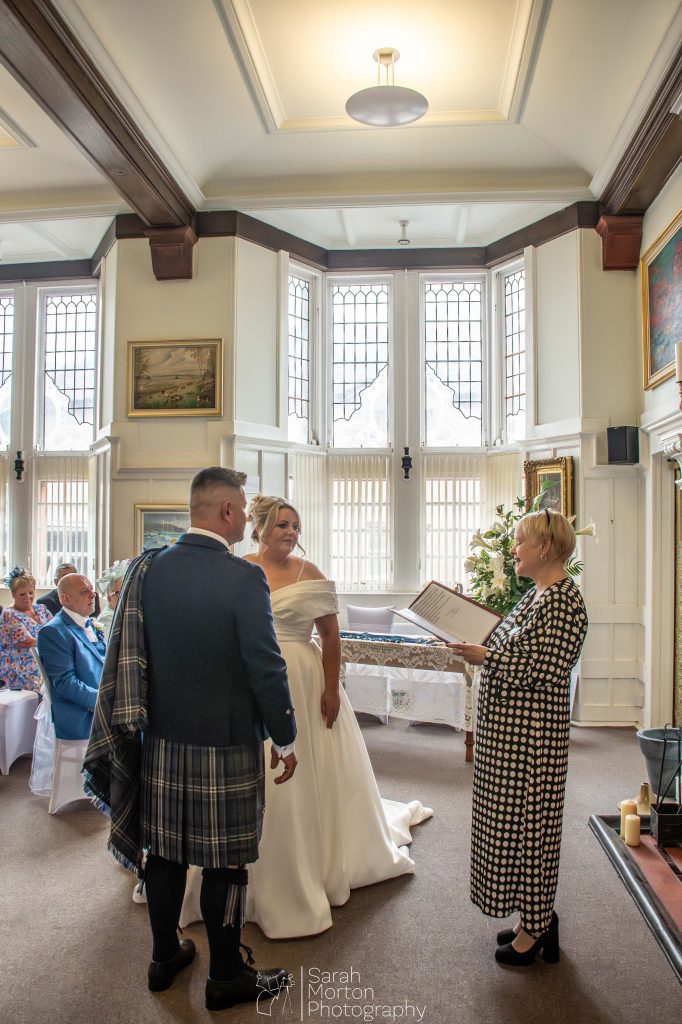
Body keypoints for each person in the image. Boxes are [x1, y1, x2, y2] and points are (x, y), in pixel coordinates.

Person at [84, 468, 297, 1013]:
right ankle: (225, 974)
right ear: (226, 512)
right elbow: (266, 668)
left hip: (161, 742)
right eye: (244, 509)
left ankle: (163, 957)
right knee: (226, 865)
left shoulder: (147, 571)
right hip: (226, 746)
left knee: (165, 854)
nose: (246, 518)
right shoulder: (242, 579)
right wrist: (286, 736)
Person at [182, 494, 431, 939]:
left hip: (303, 677)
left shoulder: (308, 573)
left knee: (306, 773)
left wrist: (332, 688)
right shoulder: (238, 568)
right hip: (249, 681)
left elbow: (331, 635)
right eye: (282, 525)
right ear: (258, 528)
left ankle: (311, 860)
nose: (292, 533)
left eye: (296, 526)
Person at [448, 508, 588, 967]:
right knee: (509, 828)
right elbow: (510, 644)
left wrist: (484, 656)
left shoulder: (565, 600)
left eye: (520, 542)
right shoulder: (536, 595)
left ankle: (539, 925)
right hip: (508, 739)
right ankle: (533, 915)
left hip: (531, 742)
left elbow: (543, 671)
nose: (513, 550)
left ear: (545, 547)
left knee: (533, 830)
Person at [36, 573, 104, 740]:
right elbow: (66, 684)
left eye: (92, 589)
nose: (92, 594)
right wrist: (106, 701)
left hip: (98, 704)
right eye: (84, 591)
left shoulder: (88, 623)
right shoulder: (53, 632)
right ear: (65, 599)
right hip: (82, 715)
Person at [0, 567, 52, 691]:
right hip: (21, 667)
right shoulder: (9, 614)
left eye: (31, 592)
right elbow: (28, 642)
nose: (27, 597)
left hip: (46, 659)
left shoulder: (41, 609)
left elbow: (57, 630)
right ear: (13, 594)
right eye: (22, 594)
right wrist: (54, 641)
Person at [37, 562, 101, 617]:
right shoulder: (45, 602)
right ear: (56, 582)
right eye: (66, 577)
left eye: (74, 575)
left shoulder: (92, 595)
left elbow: (95, 620)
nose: (71, 579)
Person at [96, 561, 129, 641]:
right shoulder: (108, 618)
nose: (126, 597)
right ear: (109, 597)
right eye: (120, 593)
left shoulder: (118, 612)